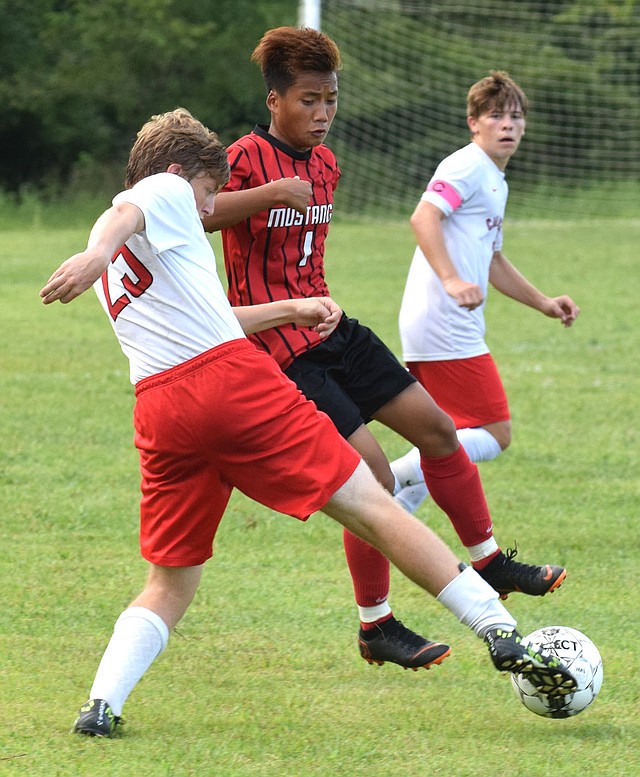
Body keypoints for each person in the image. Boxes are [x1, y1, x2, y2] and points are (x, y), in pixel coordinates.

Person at [39, 108, 575, 737]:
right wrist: (93, 253)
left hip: (162, 411)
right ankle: (500, 630)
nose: (210, 210)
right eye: (210, 194)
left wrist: (290, 307)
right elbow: (121, 215)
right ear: (180, 174)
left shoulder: (141, 253)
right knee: (371, 502)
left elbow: (206, 316)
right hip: (230, 385)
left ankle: (101, 705)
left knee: (172, 579)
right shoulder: (158, 191)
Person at [203, 26, 566, 668]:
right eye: (309, 100)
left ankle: (488, 561)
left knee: (440, 431)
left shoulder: (327, 163)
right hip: (278, 346)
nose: (322, 114)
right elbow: (199, 212)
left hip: (332, 325)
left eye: (331, 100)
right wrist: (266, 195)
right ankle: (376, 625)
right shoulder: (246, 157)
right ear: (274, 101)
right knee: (370, 477)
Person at [393, 71, 581, 516]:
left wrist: (544, 303)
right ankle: (389, 473)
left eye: (516, 117)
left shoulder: (495, 179)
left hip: (439, 320)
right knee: (495, 433)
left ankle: (390, 516)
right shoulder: (468, 165)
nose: (508, 125)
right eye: (496, 116)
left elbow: (494, 259)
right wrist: (453, 280)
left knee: (443, 434)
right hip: (444, 320)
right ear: (473, 122)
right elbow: (423, 218)